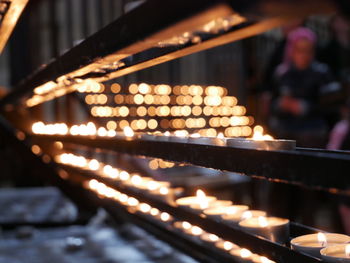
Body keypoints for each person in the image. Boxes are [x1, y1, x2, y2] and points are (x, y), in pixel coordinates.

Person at [269, 27, 340, 147]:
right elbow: (272, 102)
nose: (303, 55)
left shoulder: (322, 73)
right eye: (299, 50)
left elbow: (331, 106)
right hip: (285, 132)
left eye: (308, 50)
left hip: (313, 133)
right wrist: (281, 104)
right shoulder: (282, 73)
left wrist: (306, 107)